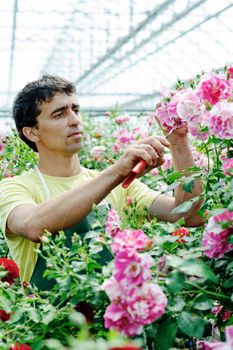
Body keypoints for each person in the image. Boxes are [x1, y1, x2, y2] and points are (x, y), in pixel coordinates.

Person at [0, 75, 204, 290]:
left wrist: (178, 142)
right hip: (55, 320)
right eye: (59, 114)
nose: (75, 120)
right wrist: (117, 171)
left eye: (75, 110)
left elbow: (189, 215)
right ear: (31, 132)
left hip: (117, 317)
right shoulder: (15, 188)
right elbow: (34, 225)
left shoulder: (120, 184)